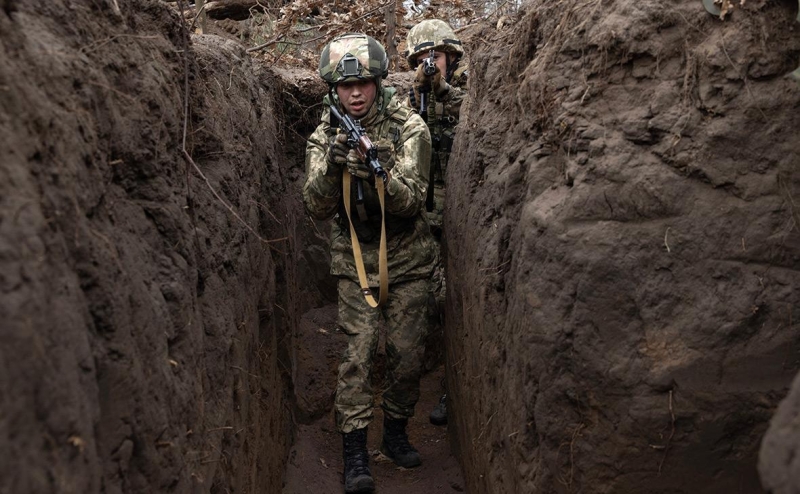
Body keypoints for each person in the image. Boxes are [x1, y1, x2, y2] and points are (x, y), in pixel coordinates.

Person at [303, 33, 436, 494]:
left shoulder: (409, 128)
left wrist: (378, 171)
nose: (355, 93)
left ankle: (396, 432)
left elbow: (414, 201)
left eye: (363, 83)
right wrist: (333, 168)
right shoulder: (326, 135)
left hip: (408, 258)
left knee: (406, 356)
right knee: (357, 357)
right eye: (345, 86)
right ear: (333, 90)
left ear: (378, 83)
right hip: (356, 258)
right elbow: (316, 207)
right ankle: (355, 452)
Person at [404, 19, 468, 427]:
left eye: (438, 56)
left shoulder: (467, 94)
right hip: (417, 215)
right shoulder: (405, 100)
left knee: (452, 303)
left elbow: (471, 111)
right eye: (425, 57)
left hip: (456, 214)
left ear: (451, 58)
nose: (432, 63)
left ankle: (450, 386)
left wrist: (442, 91)